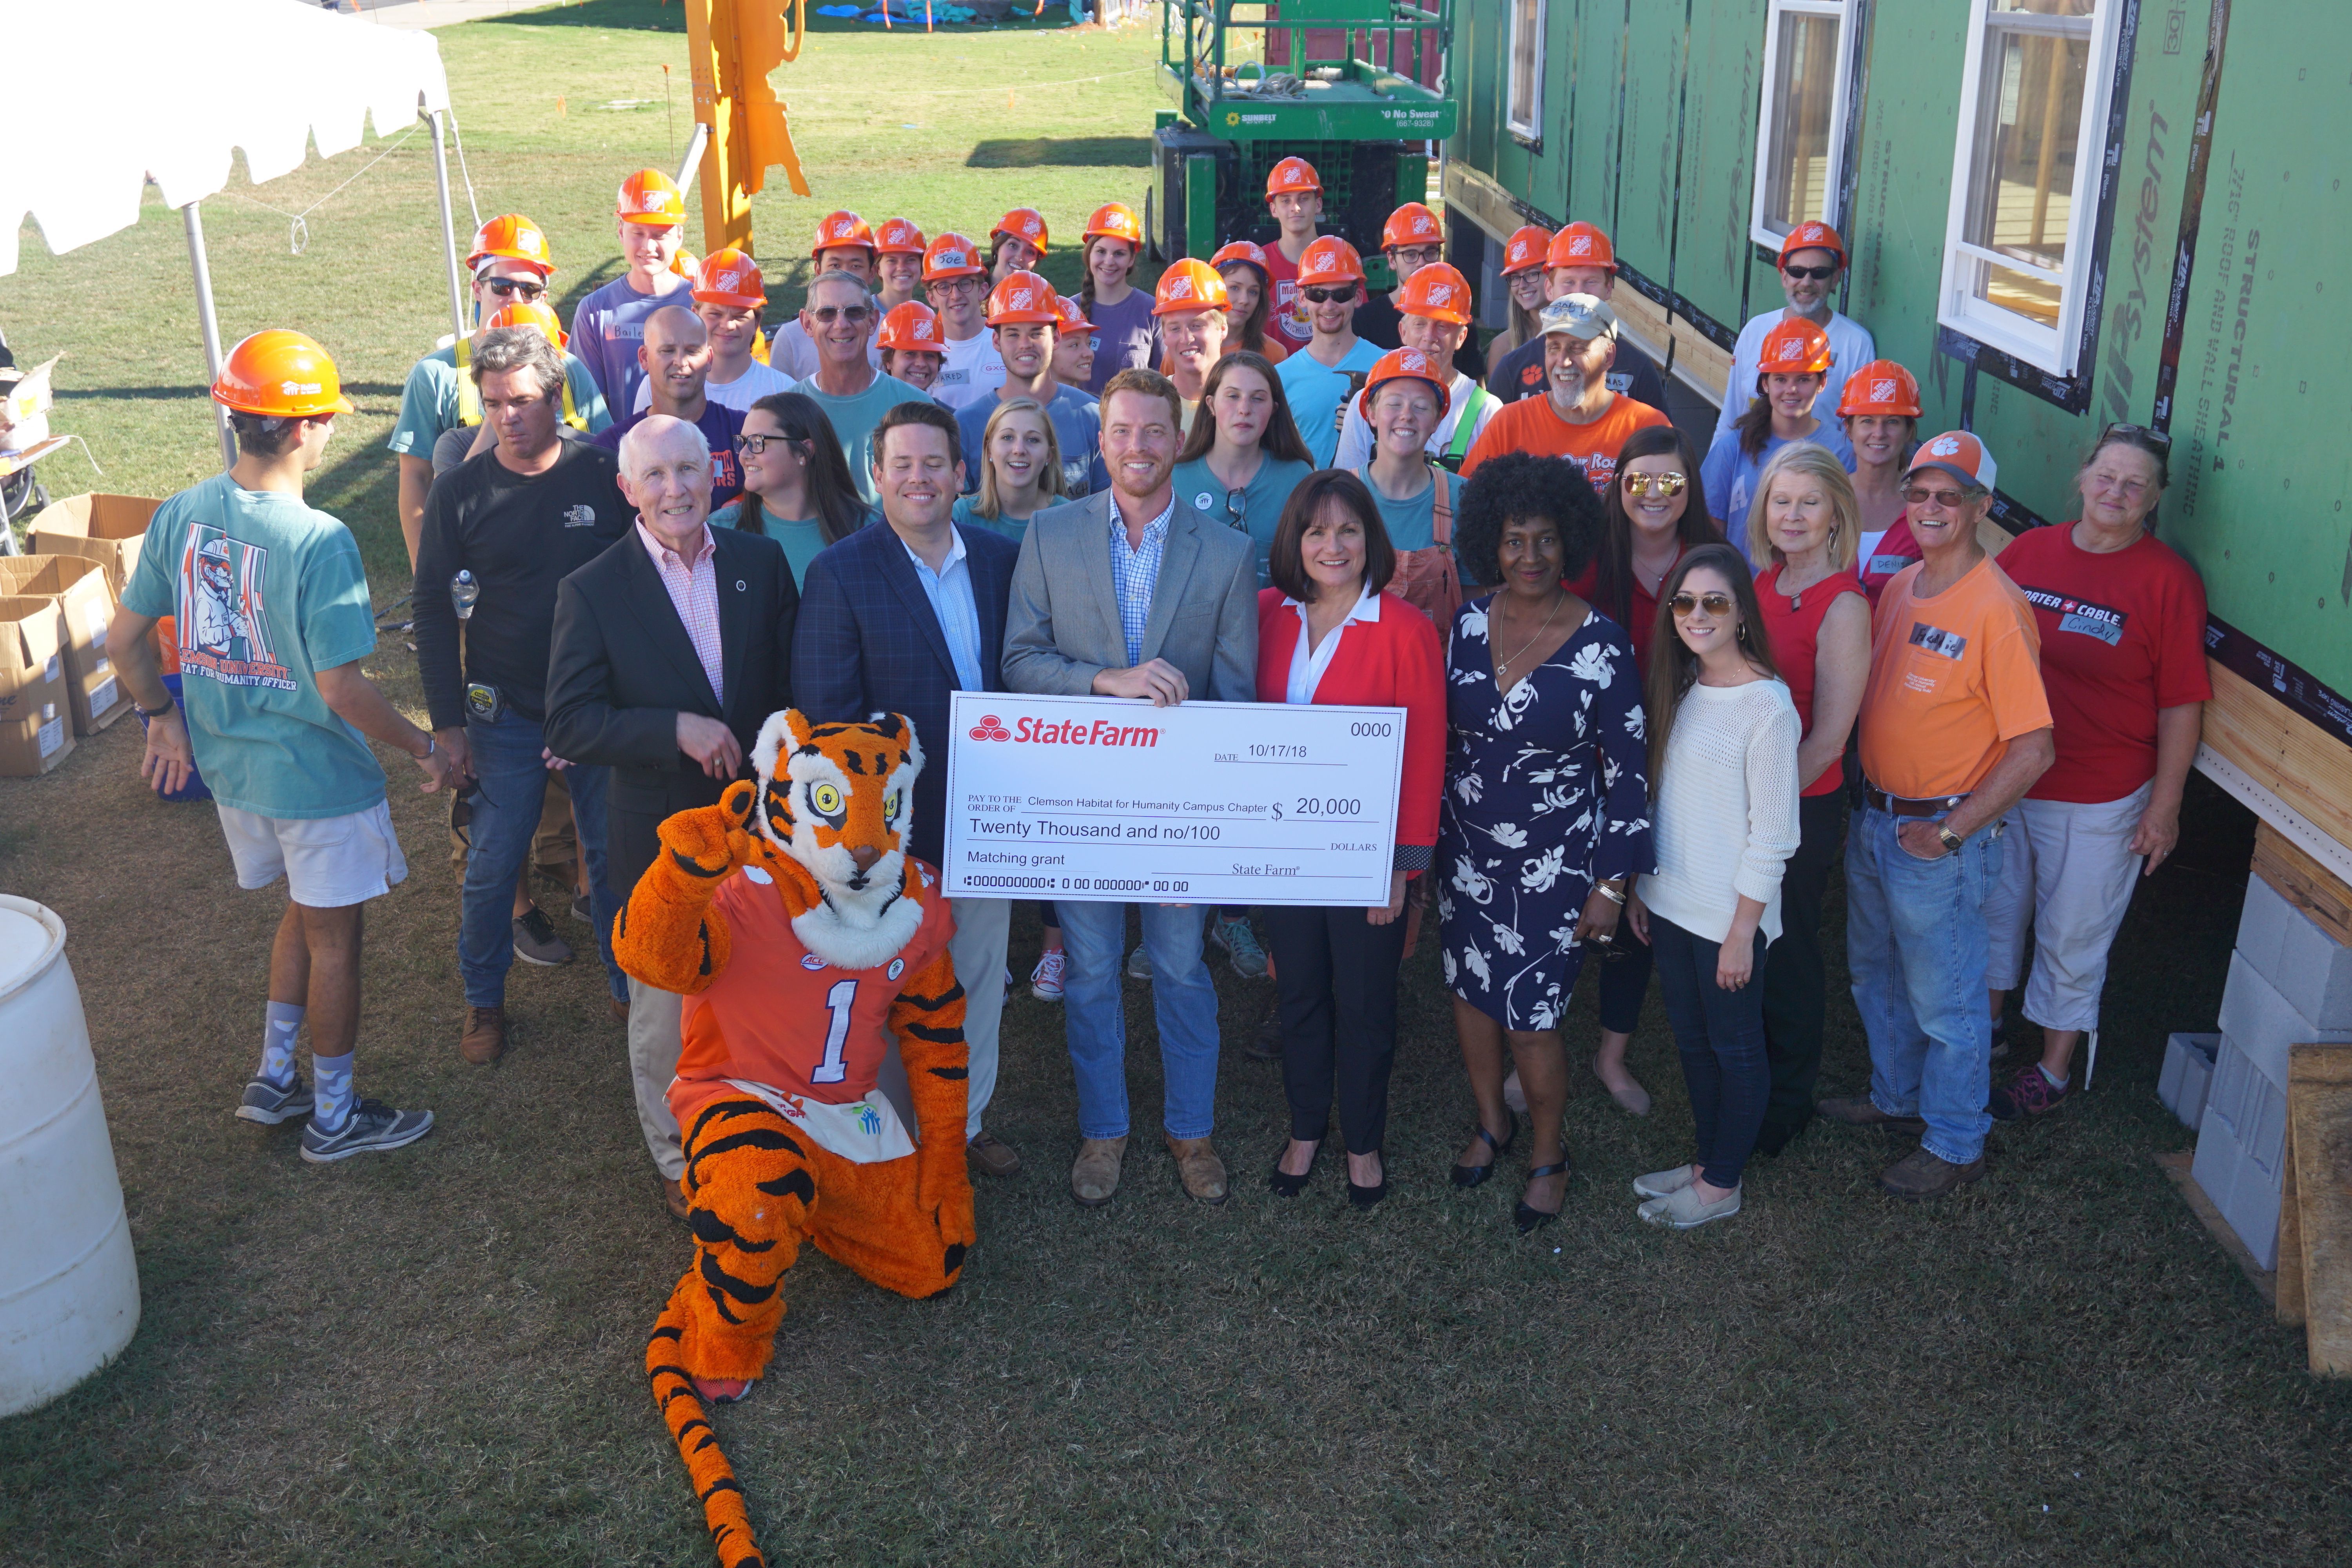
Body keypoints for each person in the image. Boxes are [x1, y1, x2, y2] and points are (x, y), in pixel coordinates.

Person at [112, 330, 456, 1161]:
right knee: (338, 938)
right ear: (305, 430)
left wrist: (161, 714)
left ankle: (274, 1077)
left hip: (235, 773)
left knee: (302, 912)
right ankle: (335, 1118)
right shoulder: (321, 539)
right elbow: (341, 689)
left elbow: (125, 642)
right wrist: (420, 746)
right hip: (317, 777)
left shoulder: (182, 512)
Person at [1002, 368, 1259, 1208]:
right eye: (1123, 430)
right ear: (1101, 438)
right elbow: (1020, 664)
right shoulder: (1049, 535)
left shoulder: (1225, 552)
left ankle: (1191, 1129)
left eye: (1156, 430)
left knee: (1183, 968)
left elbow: (1235, 696)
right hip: (1084, 804)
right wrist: (1108, 679)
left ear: (1179, 438)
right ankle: (1104, 1129)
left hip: (1180, 810)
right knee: (1091, 969)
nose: (1139, 446)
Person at [544, 415, 800, 1220]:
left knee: (757, 982)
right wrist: (671, 730)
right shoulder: (591, 588)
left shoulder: (761, 563)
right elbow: (569, 722)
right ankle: (676, 1152)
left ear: (715, 474)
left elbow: (792, 690)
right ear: (627, 490)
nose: (675, 489)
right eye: (654, 476)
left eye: (688, 470)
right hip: (657, 836)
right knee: (664, 1003)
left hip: (759, 829)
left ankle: (767, 1124)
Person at [1816, 431, 2054, 1200]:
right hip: (1877, 817)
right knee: (1875, 972)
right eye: (1918, 493)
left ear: (1982, 508)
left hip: (1938, 836)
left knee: (1949, 1001)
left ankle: (1956, 1141)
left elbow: (2035, 748)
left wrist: (1952, 830)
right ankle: (1897, 1096)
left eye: (1948, 496)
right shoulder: (1902, 585)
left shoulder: (1997, 607)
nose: (1927, 507)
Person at [793, 401, 1026, 1180]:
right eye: (904, 465)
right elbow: (827, 721)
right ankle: (895, 1139)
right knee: (891, 991)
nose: (920, 478)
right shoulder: (842, 571)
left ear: (963, 474)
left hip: (993, 817)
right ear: (878, 476)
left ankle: (967, 1124)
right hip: (893, 837)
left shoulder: (1001, 559)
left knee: (980, 977)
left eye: (935, 463)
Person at [1439, 451, 1651, 1232]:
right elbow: (1443, 742)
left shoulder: (1603, 645)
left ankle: (1549, 1154)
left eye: (1547, 540)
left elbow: (1628, 776)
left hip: (1555, 864)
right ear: (1490, 544)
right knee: (1469, 995)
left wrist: (1610, 883)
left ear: (1573, 543)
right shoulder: (1465, 624)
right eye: (1514, 540)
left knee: (1533, 1013)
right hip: (1466, 852)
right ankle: (1494, 1120)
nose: (1530, 556)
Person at [414, 327, 635, 1064]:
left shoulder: (606, 476)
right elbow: (433, 608)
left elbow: (642, 589)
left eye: (522, 401)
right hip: (502, 712)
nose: (506, 416)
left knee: (612, 856)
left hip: (598, 707)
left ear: (557, 398)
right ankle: (484, 1002)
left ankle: (626, 984)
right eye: (492, 403)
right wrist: (448, 725)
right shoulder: (459, 492)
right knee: (492, 862)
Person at [1984, 425, 2208, 1120]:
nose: (2117, 492)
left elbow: (2181, 705)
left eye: (2135, 484)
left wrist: (2164, 806)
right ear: (2083, 479)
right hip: (2012, 778)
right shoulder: (2029, 551)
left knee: (2072, 934)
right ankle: (1984, 1034)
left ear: (2155, 499)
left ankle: (2050, 1071)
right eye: (2107, 476)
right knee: (1993, 912)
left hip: (2101, 794)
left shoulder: (2167, 580)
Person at [1256, 472, 1446, 1208]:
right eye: (1315, 532)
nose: (1332, 546)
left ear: (1371, 540)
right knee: (1299, 994)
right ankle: (1306, 1128)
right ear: (1294, 542)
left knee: (1366, 1003)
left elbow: (1425, 747)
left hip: (1368, 860)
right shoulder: (1268, 614)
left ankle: (1363, 1142)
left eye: (1347, 531)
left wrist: (1401, 869)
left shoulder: (1403, 627)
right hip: (1285, 854)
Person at [1626, 544, 1800, 1229]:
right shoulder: (1686, 689)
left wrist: (1741, 933)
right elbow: (1666, 801)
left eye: (1715, 603)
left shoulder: (1768, 707)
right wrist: (1646, 885)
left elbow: (1774, 835)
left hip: (1728, 918)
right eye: (1686, 603)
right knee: (1693, 1043)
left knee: (1735, 1047)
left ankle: (1724, 1183)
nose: (1698, 615)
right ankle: (1708, 1163)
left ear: (1741, 617)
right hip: (1673, 904)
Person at [1744, 443, 1868, 1154]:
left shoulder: (1843, 604)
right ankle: (1749, 1070)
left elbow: (1829, 738)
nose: (1791, 515)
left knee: (1787, 951)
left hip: (1799, 805)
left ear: (1835, 516)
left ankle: (1787, 1099)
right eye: (1781, 500)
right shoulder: (1761, 584)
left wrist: (1764, 806)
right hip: (1747, 800)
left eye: (1808, 503)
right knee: (1748, 940)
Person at [389, 214, 610, 564]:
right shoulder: (436, 376)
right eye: (503, 287)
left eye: (530, 290)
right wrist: (428, 575)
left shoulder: (571, 370)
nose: (516, 299)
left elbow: (608, 464)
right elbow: (416, 482)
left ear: (544, 297)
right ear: (477, 288)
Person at [1459, 295, 1670, 493]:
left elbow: (1672, 507)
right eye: (1553, 348)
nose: (1563, 361)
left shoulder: (1646, 425)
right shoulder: (1509, 423)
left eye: (1577, 348)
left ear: (1609, 356)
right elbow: (1465, 502)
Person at [1700, 317, 1855, 554]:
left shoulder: (1841, 452)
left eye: (1803, 379)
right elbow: (1710, 531)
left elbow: (1846, 536)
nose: (1791, 389)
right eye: (1781, 379)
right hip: (1741, 588)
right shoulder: (1733, 447)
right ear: (1766, 384)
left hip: (1811, 588)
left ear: (1822, 382)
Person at [1713, 221, 1875, 444]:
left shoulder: (1856, 344)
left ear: (1835, 279)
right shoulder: (1755, 330)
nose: (1807, 283)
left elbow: (1856, 437)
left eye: (1819, 273)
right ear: (1784, 277)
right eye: (1797, 271)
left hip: (1819, 472)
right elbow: (1731, 415)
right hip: (1753, 463)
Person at [1484, 222, 1669, 412]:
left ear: (1608, 289)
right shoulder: (1512, 368)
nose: (1580, 293)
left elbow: (1664, 440)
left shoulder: (1637, 368)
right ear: (1549, 289)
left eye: (1591, 282)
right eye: (1569, 282)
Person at [1169, 348, 1316, 587]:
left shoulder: (1298, 479)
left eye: (1258, 398)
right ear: (1211, 405)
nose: (1245, 409)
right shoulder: (1175, 479)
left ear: (1274, 409)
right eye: (1233, 396)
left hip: (1275, 622)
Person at [1332, 263, 1497, 470]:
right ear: (1403, 331)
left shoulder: (1486, 412)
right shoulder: (1365, 405)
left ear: (1461, 337)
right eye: (1420, 324)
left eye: (1442, 326)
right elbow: (1348, 492)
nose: (1429, 337)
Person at [955, 271, 1106, 497]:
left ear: (1056, 338)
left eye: (1036, 333)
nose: (1025, 345)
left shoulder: (1091, 416)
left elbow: (1105, 505)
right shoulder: (966, 424)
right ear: (996, 341)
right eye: (1013, 335)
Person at [793, 271, 933, 506]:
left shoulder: (916, 406)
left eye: (854, 312)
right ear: (808, 323)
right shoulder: (788, 410)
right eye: (827, 313)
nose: (841, 324)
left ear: (872, 321)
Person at [593, 305, 747, 510]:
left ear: (709, 358)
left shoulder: (744, 433)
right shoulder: (609, 448)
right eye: (668, 351)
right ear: (644, 358)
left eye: (692, 351)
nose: (681, 362)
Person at [711, 391, 872, 586]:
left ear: (805, 451)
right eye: (743, 442)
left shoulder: (868, 528)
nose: (744, 455)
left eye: (757, 443)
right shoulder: (719, 530)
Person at [571, 169, 693, 416]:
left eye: (660, 235)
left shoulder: (701, 305)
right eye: (638, 233)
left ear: (679, 236)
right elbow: (588, 405)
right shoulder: (595, 311)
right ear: (621, 232)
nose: (648, 247)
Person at [629, 247, 794, 414]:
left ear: (756, 322)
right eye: (715, 314)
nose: (728, 325)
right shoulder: (657, 385)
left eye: (740, 316)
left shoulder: (783, 391)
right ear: (695, 316)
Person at [1274, 237, 1384, 468]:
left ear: (1358, 298)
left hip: (1368, 501)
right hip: (1304, 501)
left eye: (1341, 294)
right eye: (1318, 294)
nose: (1329, 305)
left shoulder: (1385, 366)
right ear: (1302, 298)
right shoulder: (1279, 378)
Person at [1351, 347, 1465, 557]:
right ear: (1371, 414)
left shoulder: (1461, 497)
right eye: (1394, 404)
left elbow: (1472, 590)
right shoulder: (1342, 493)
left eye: (1421, 407)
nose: (1406, 416)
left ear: (1437, 421)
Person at [1351, 203, 1483, 381]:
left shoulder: (1456, 316)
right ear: (1391, 259)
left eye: (1430, 252)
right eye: (1411, 254)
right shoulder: (1364, 322)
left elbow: (1475, 391)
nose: (1421, 263)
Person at [1841, 360, 1926, 603]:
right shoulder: (1826, 497)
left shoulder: (1925, 507)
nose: (1879, 433)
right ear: (1849, 428)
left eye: (1892, 422)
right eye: (1867, 421)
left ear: (1909, 431)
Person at [767, 211, 882, 381]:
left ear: (872, 273)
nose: (845, 275)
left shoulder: (890, 331)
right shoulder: (790, 338)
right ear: (818, 271)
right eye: (835, 265)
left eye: (856, 266)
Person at [953, 396, 1069, 541]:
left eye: (1033, 439)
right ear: (989, 450)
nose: (1019, 450)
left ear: (1049, 455)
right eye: (1008, 437)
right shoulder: (962, 515)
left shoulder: (1070, 516)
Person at [1078, 203, 1157, 394]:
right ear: (1089, 254)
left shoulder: (1153, 311)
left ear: (1131, 259)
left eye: (1119, 254)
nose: (1109, 261)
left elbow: (1163, 382)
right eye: (1101, 252)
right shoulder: (1068, 310)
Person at [922, 232, 1005, 410]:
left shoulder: (1007, 342)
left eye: (965, 283)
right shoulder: (921, 352)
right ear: (932, 298)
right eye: (944, 287)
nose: (956, 295)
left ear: (982, 290)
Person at [1154, 258, 1230, 432]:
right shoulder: (1152, 403)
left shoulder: (1246, 401)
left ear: (1223, 329)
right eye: (1175, 328)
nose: (1186, 339)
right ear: (1164, 336)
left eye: (1197, 326)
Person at [1259, 154, 1325, 352]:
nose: (1295, 208)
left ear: (1319, 205)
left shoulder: (1340, 257)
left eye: (1303, 199)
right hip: (1270, 377)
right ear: (1273, 209)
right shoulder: (1259, 263)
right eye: (1286, 201)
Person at [1208, 240, 1289, 365]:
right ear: (1213, 288)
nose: (1244, 300)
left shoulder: (1275, 354)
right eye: (1235, 288)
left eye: (1253, 292)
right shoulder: (1185, 349)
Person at [1488, 224, 1552, 364]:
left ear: (1553, 275)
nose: (1522, 286)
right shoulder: (1502, 347)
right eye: (1515, 277)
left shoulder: (1584, 338)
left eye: (1532, 274)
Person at [877, 300, 946, 394]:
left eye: (930, 355)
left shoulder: (943, 410)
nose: (921, 364)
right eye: (910, 353)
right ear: (889, 361)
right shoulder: (872, 408)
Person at [873, 216, 928, 315]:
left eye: (910, 260)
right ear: (878, 269)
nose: (901, 268)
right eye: (892, 261)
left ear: (921, 266)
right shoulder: (862, 313)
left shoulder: (926, 317)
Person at [988, 206, 1049, 282]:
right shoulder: (970, 287)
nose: (1019, 258)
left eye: (1030, 252)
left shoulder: (1041, 294)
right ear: (998, 246)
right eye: (1013, 245)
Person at [1050, 294, 1096, 391]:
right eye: (1075, 345)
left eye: (1089, 343)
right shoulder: (1022, 405)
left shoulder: (1093, 405)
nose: (1089, 353)